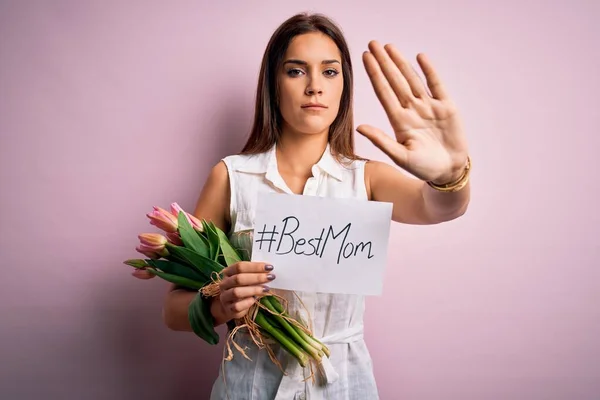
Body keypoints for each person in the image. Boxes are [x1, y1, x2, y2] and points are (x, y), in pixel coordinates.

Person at [133, 12, 470, 400]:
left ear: (344, 85)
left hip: (344, 385)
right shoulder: (231, 176)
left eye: (330, 72)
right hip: (249, 386)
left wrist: (451, 173)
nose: (315, 87)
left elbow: (441, 207)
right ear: (273, 85)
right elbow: (173, 310)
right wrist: (220, 304)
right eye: (296, 71)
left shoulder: (368, 178)